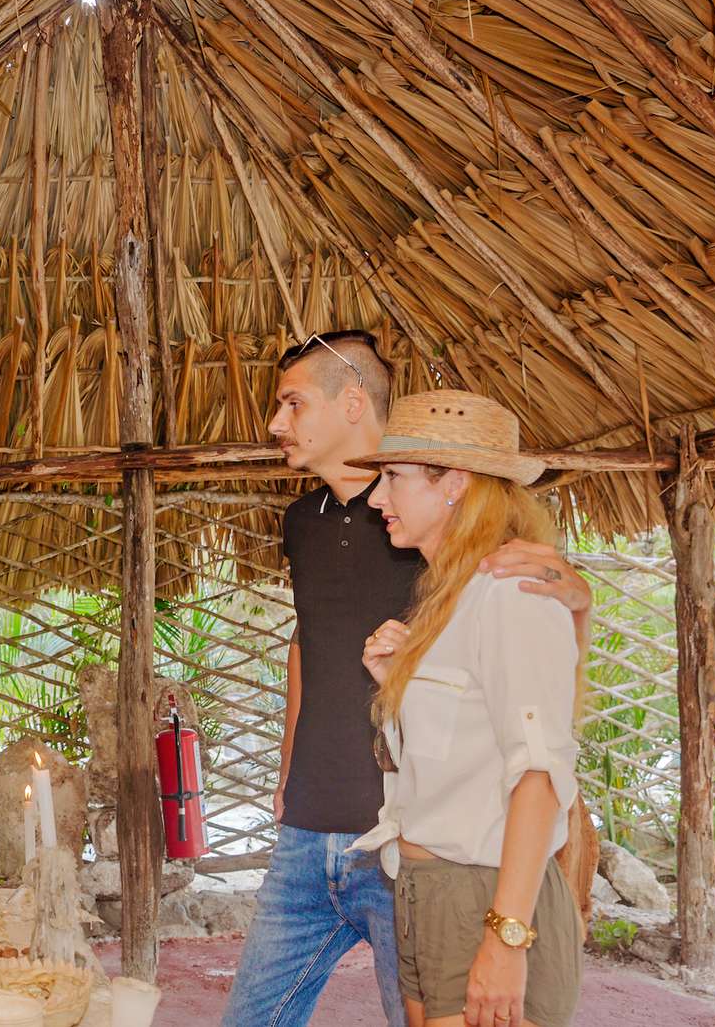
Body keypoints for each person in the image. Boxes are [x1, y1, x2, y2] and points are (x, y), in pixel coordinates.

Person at [221, 332, 589, 1027]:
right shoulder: (313, 525)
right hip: (340, 836)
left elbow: (538, 733)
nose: (274, 424)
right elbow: (310, 641)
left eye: (292, 404)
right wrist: (288, 767)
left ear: (352, 401)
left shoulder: (483, 564)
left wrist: (581, 604)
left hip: (425, 852)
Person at [348, 390, 585, 1027]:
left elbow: (539, 772)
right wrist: (397, 681)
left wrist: (507, 938)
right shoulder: (449, 602)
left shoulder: (514, 595)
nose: (375, 498)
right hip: (424, 890)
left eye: (392, 477)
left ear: (453, 483)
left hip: (485, 889)